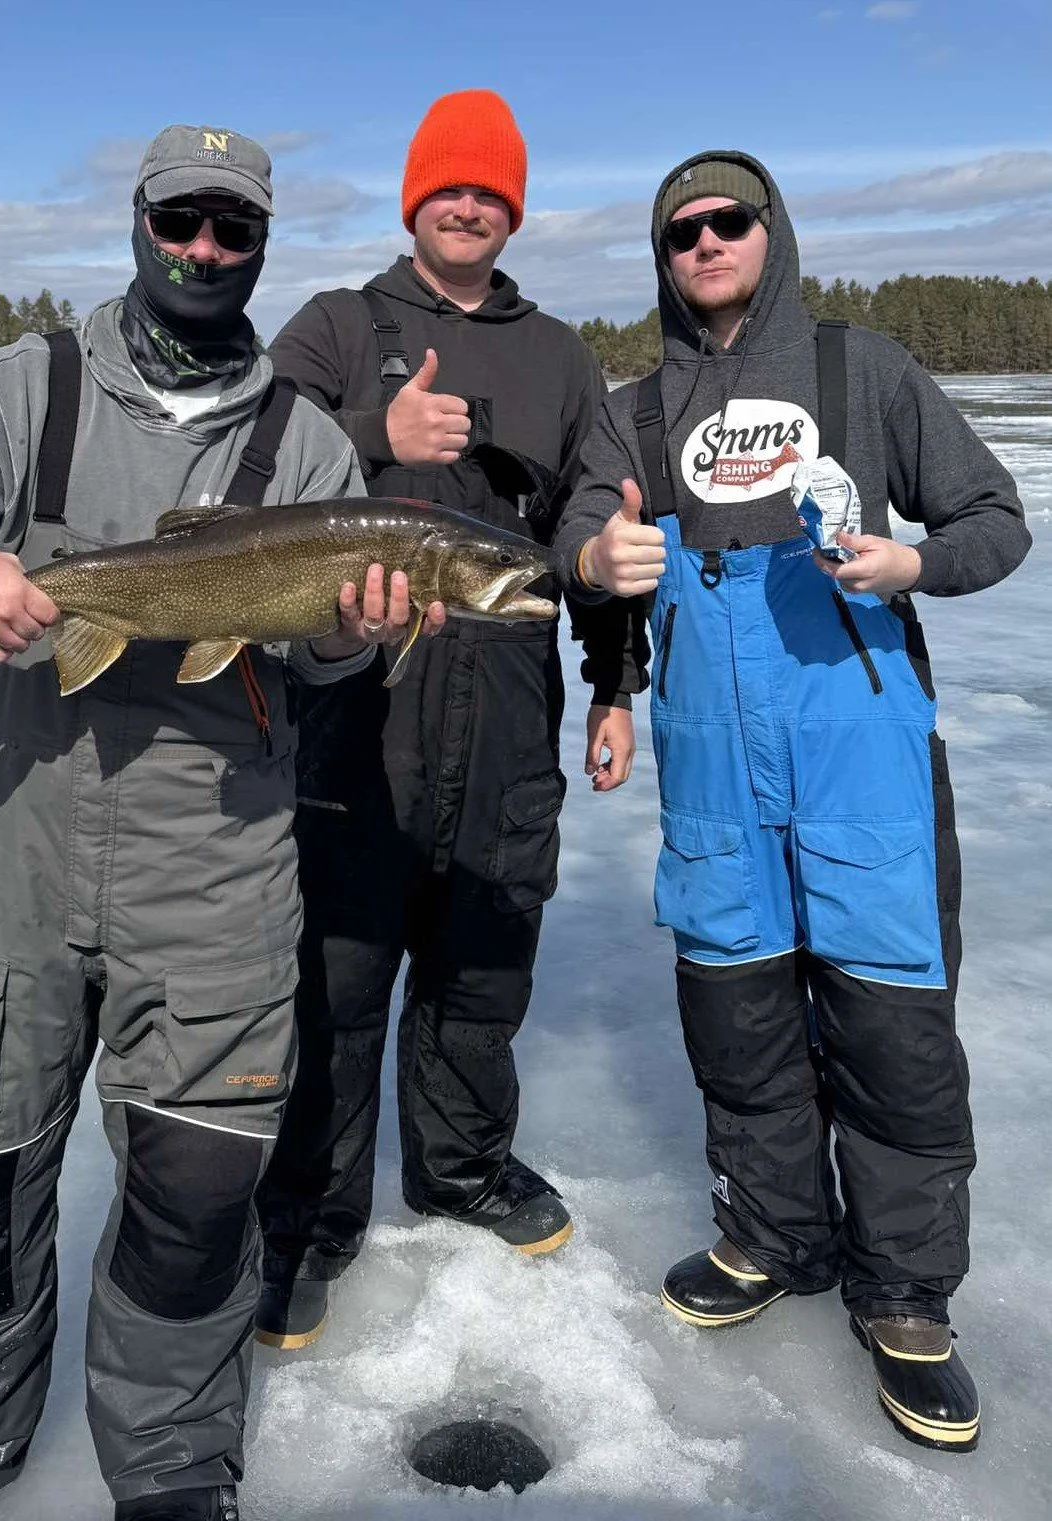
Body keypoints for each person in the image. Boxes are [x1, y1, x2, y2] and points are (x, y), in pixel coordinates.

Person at [0, 124, 443, 1521]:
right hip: (6, 851)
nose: (205, 251)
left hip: (212, 867)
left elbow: (324, 667)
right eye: (184, 222)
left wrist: (360, 634)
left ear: (262, 247)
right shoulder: (16, 385)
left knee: (193, 1201)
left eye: (235, 231)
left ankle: (168, 1470)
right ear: (142, 223)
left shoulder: (306, 445)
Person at [555, 149, 1031, 1452]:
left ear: (772, 230)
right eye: (682, 232)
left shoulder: (859, 371)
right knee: (739, 1019)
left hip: (859, 754)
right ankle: (768, 1234)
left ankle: (908, 1305)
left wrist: (911, 558)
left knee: (890, 1034)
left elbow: (997, 520)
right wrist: (596, 565)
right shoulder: (636, 408)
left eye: (730, 221)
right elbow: (581, 542)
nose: (706, 243)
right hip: (713, 765)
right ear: (662, 258)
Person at [254, 89, 645, 1349]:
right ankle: (309, 1221)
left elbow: (598, 520)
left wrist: (613, 680)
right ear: (413, 199)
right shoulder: (334, 325)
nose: (467, 204)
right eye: (446, 188)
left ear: (512, 209)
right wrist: (373, 431)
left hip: (511, 696)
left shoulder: (559, 354)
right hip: (357, 695)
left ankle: (462, 1170)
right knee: (340, 968)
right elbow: (238, 464)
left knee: (483, 956)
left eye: (489, 190)